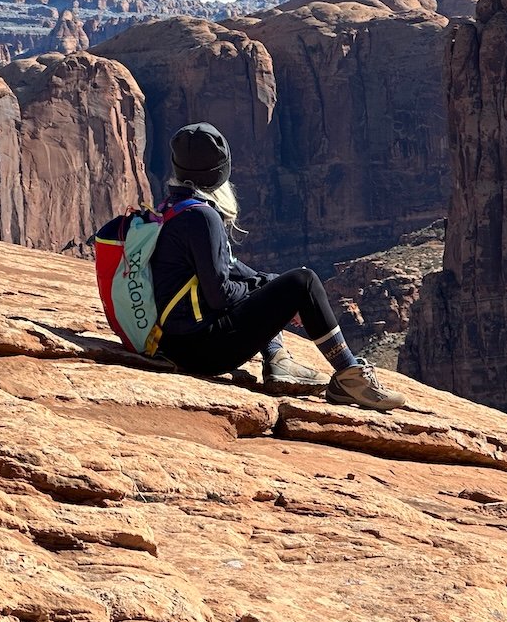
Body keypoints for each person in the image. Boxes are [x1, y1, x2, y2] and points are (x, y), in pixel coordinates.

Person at [149, 122, 406, 411]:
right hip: (201, 350)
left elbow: (230, 269)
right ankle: (350, 376)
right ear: (220, 173)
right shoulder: (202, 217)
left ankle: (278, 361)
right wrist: (272, 293)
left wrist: (267, 285)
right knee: (304, 281)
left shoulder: (174, 206)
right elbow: (219, 294)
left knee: (271, 283)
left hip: (175, 342)